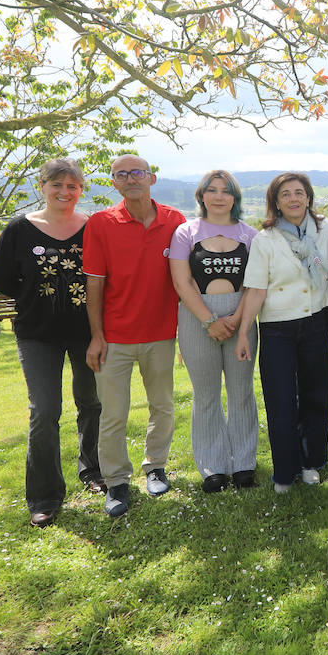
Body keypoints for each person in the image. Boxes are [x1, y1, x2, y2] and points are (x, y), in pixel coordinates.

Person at [0, 158, 103, 527]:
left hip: (88, 332)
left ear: (81, 189)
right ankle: (45, 495)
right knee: (44, 410)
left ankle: (94, 470)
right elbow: (1, 278)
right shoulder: (19, 229)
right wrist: (36, 298)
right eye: (57, 185)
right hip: (37, 333)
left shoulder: (93, 227)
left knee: (92, 402)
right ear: (42, 186)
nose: (64, 192)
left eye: (72, 186)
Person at [83, 153, 186, 518]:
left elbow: (185, 278)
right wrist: (97, 337)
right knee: (113, 414)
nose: (130, 179)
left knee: (163, 405)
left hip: (161, 334)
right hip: (115, 338)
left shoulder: (175, 221)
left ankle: (155, 466)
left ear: (151, 178)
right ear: (114, 183)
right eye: (121, 174)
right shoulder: (100, 223)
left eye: (137, 172)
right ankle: (116, 481)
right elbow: (94, 285)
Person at [235, 173, 328, 493]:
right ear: (276, 202)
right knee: (281, 400)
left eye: (299, 192)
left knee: (316, 396)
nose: (293, 198)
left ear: (308, 197)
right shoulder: (265, 239)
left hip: (316, 322)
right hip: (277, 328)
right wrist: (243, 333)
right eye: (285, 194)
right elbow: (256, 290)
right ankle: (285, 470)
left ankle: (311, 462)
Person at [169, 170, 260, 493]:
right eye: (212, 190)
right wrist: (210, 320)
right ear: (202, 196)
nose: (219, 196)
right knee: (206, 394)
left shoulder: (250, 235)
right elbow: (182, 282)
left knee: (241, 392)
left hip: (241, 317)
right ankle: (213, 467)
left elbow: (254, 283)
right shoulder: (186, 232)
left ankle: (244, 464)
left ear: (235, 197)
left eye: (226, 191)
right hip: (197, 317)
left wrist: (237, 319)